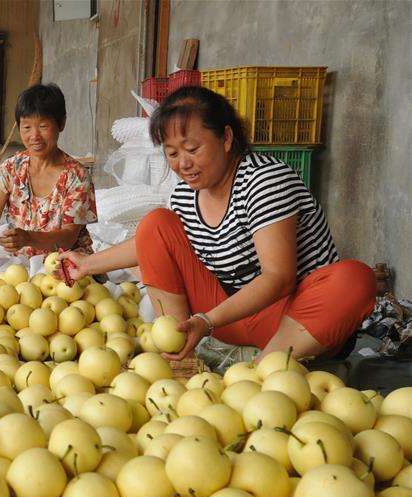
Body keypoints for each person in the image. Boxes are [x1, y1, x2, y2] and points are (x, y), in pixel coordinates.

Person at [58, 86, 375, 362]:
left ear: (226, 137)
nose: (183, 163)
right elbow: (150, 245)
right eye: (172, 153)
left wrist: (208, 321)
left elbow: (278, 278)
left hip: (293, 322)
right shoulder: (185, 194)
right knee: (155, 224)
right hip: (229, 317)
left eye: (192, 149)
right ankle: (179, 349)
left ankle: (267, 371)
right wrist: (86, 264)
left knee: (354, 279)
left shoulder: (264, 180)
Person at [0, 83, 96, 258]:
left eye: (43, 126)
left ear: (61, 123)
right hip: (21, 265)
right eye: (26, 127)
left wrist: (28, 238)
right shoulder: (10, 170)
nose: (34, 136)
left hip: (67, 265)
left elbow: (68, 238)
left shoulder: (76, 177)